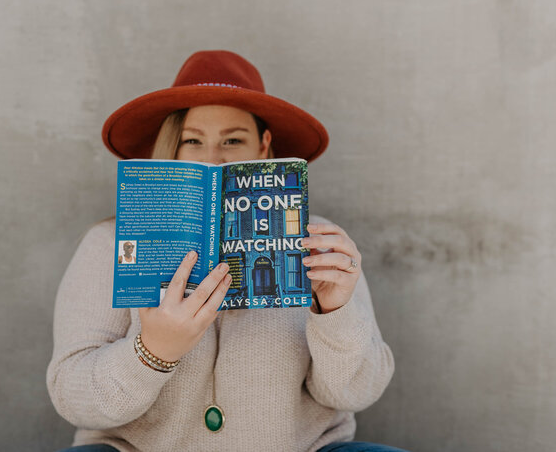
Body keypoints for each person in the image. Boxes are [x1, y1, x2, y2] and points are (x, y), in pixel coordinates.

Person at [47, 50, 405, 452]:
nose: (213, 158)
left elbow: (355, 394)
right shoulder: (109, 244)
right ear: (171, 149)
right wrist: (153, 351)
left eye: (233, 140)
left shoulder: (319, 246)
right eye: (192, 140)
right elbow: (73, 398)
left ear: (264, 146)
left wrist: (335, 313)